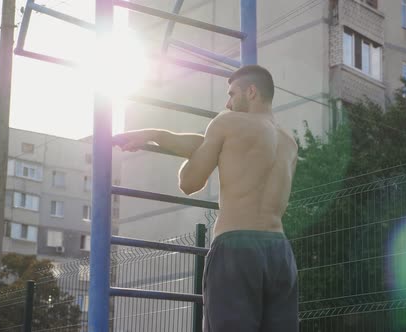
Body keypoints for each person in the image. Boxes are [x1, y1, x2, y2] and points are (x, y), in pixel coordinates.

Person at [112, 65, 299, 332]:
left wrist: (192, 155)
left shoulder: (226, 122)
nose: (228, 102)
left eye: (232, 94)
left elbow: (190, 182)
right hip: (280, 253)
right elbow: (223, 147)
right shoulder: (288, 142)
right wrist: (155, 135)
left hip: (237, 249)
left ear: (252, 92)